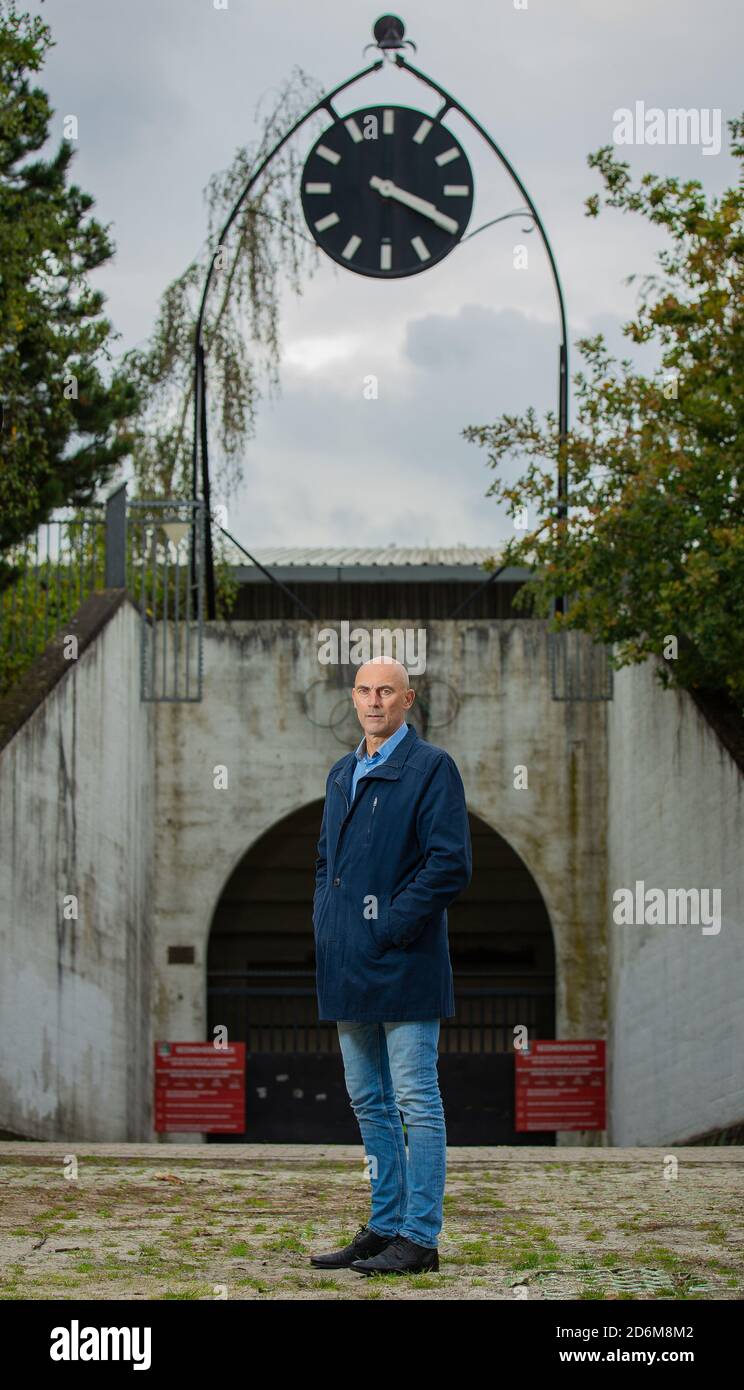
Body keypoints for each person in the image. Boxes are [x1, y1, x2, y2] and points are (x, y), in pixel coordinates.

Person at [308, 656, 472, 1276]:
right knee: (369, 1101)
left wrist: (390, 924)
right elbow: (327, 861)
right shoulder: (341, 772)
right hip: (347, 963)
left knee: (416, 1101)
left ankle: (420, 1236)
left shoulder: (431, 768)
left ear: (408, 700)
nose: (374, 701)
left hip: (405, 963)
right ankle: (384, 1225)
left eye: (387, 692)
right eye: (365, 691)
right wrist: (330, 924)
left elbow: (449, 863)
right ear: (353, 698)